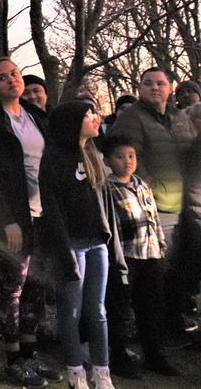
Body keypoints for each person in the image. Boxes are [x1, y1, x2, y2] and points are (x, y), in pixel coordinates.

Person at [0, 58, 58, 388]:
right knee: (13, 290)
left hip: (43, 215)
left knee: (36, 289)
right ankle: (12, 358)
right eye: (2, 77)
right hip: (13, 219)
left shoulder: (36, 116)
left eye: (15, 74)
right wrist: (5, 219)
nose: (11, 80)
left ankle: (30, 352)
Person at [39, 101, 123, 389]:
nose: (95, 118)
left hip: (97, 243)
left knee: (97, 310)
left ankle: (102, 373)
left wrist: (110, 241)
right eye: (88, 115)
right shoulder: (54, 156)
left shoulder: (93, 153)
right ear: (72, 122)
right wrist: (64, 252)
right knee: (71, 311)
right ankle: (76, 373)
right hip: (71, 245)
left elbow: (103, 206)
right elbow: (51, 207)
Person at [108, 67, 198, 333]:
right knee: (156, 269)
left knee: (179, 267)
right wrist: (153, 190)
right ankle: (152, 324)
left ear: (170, 87)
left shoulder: (180, 117)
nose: (155, 88)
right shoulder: (131, 119)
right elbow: (128, 159)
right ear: (140, 88)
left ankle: (173, 317)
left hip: (184, 203)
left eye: (160, 83)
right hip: (153, 205)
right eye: (148, 83)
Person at [101, 134, 178, 378]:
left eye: (131, 156)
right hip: (126, 258)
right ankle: (120, 356)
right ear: (108, 160)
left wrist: (161, 246)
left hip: (151, 254)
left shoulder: (142, 185)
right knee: (120, 309)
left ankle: (154, 354)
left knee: (151, 308)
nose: (127, 161)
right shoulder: (106, 189)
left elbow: (152, 218)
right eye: (120, 157)